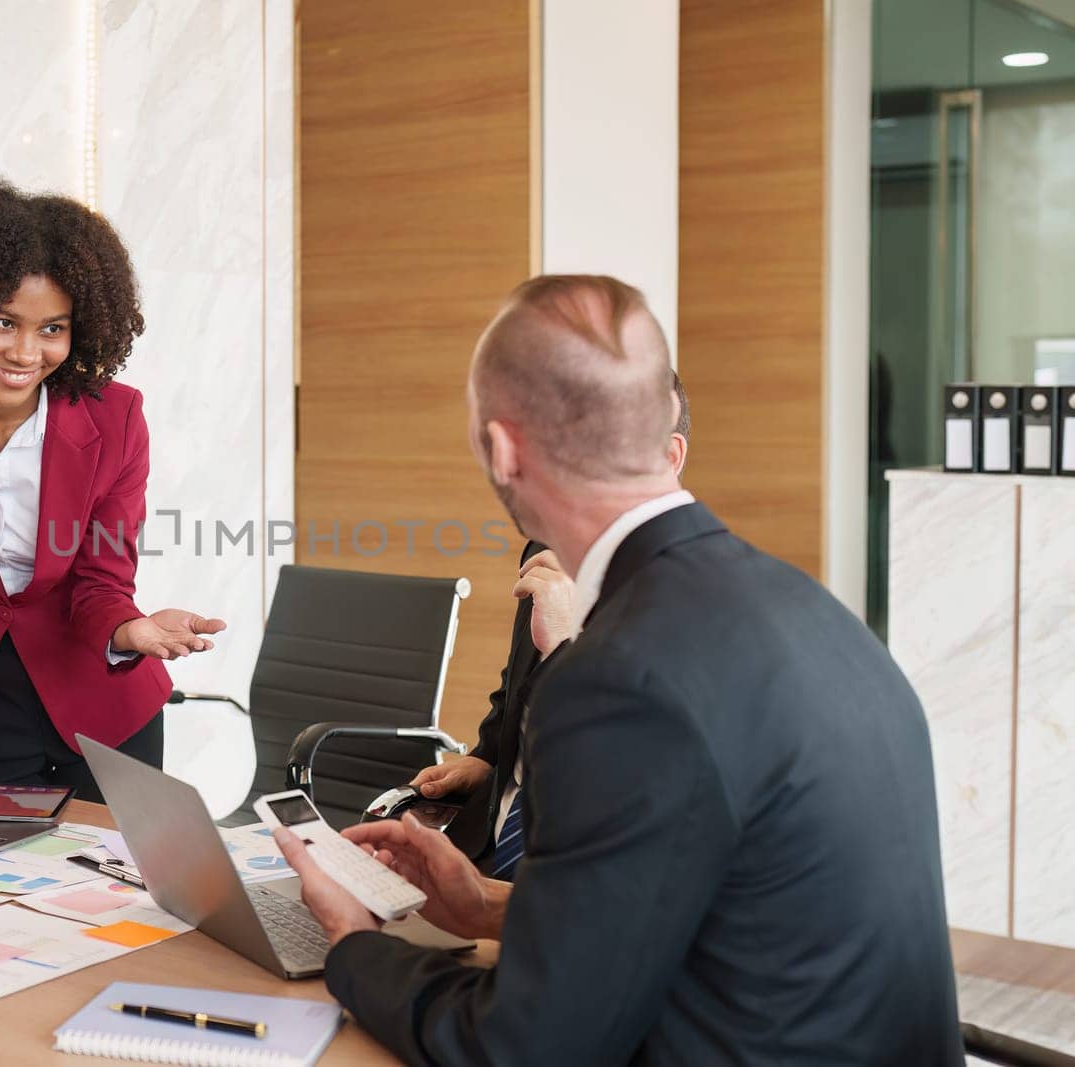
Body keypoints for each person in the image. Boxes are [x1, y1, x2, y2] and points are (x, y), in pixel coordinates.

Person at [275, 275, 962, 1064]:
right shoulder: (816, 613)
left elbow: (523, 1046)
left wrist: (352, 944)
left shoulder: (616, 681)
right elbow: (726, 914)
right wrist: (495, 904)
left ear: (500, 447)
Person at [0, 174, 225, 801]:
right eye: (3, 322)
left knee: (112, 894)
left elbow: (101, 580)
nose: (27, 352)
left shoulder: (116, 419)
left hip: (100, 704)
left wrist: (129, 630)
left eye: (53, 328)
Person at [412, 372, 692, 877]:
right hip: (486, 851)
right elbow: (517, 687)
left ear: (669, 458)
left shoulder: (695, 599)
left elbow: (637, 777)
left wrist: (568, 643)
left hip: (586, 877)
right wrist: (488, 760)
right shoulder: (548, 544)